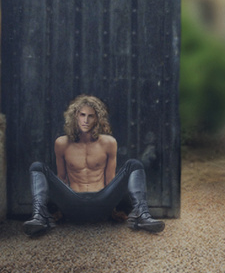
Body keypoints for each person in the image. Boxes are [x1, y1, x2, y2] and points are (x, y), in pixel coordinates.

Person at [23, 94, 165, 236]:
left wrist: (113, 211)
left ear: (97, 119)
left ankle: (142, 215)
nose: (85, 120)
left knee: (134, 164)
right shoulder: (62, 143)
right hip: (73, 203)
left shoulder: (108, 142)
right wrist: (60, 210)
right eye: (82, 115)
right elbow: (62, 178)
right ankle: (39, 216)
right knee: (37, 167)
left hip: (102, 201)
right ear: (75, 116)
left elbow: (110, 179)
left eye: (90, 116)